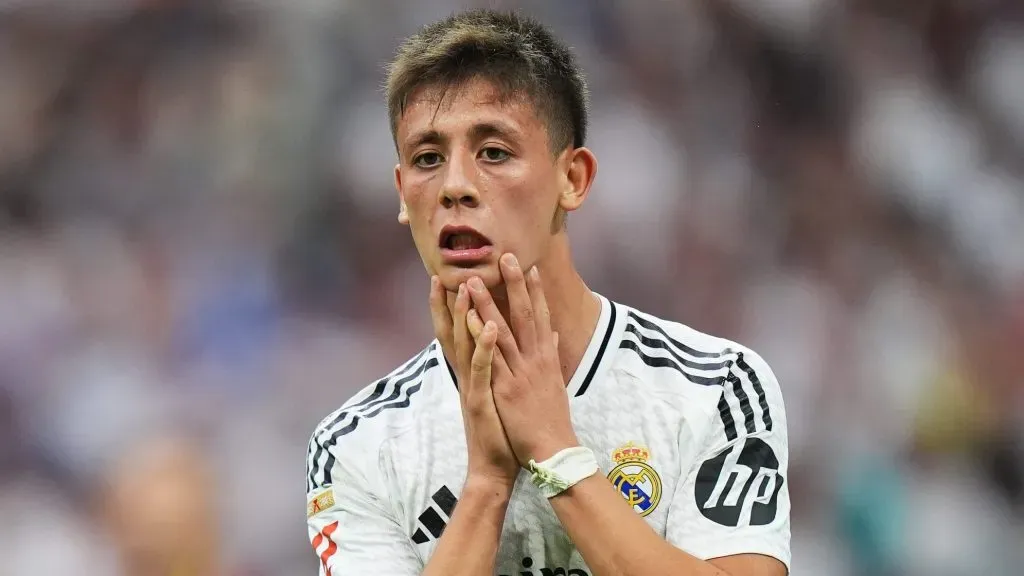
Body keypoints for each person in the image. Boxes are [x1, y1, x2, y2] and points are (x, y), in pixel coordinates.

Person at [306, 9, 790, 576]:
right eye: (427, 159)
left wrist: (557, 452)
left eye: (493, 152)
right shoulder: (356, 444)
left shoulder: (716, 389)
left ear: (574, 179)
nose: (455, 186)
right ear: (401, 193)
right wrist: (487, 484)